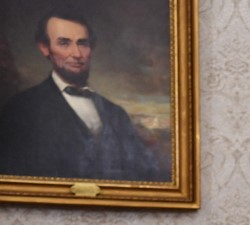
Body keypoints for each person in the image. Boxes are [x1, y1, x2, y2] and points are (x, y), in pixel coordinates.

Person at [0, 5, 166, 180]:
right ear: (44, 48)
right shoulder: (21, 108)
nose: (77, 53)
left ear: (91, 49)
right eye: (64, 43)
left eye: (82, 43)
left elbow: (144, 174)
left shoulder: (116, 114)